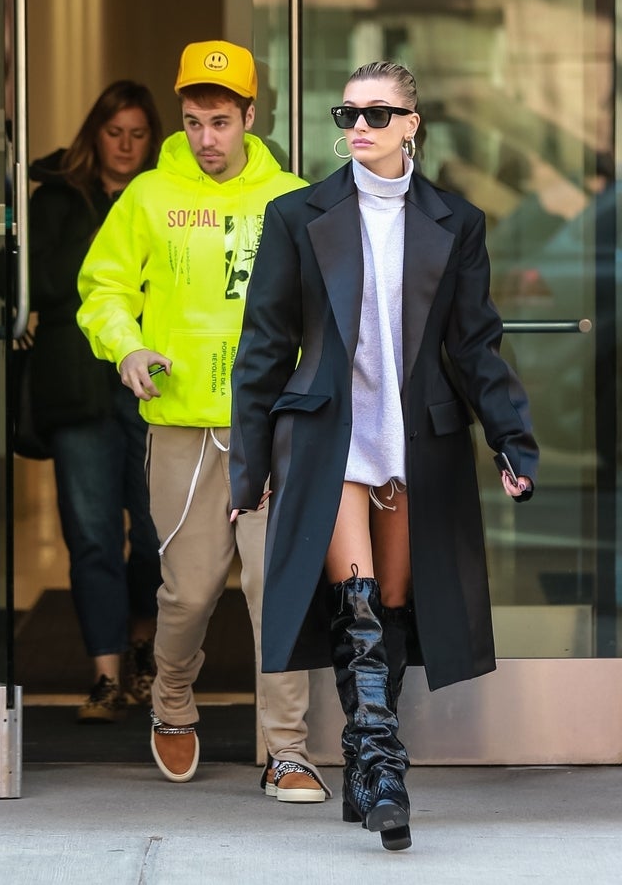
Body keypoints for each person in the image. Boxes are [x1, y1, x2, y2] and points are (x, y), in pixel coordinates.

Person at [229, 60, 539, 850]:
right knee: (359, 603)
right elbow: (263, 348)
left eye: (376, 114)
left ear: (412, 124)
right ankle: (384, 768)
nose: (358, 127)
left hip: (414, 440)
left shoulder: (454, 221)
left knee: (393, 610)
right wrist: (252, 467)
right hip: (329, 435)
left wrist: (511, 438)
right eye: (348, 113)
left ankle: (365, 772)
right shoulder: (298, 215)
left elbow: (474, 346)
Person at [76, 40, 330, 802]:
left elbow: (330, 309)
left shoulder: (294, 197)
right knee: (187, 593)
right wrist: (125, 347)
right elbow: (104, 289)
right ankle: (172, 697)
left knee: (272, 589)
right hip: (182, 427)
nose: (205, 139)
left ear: (251, 116)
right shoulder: (149, 196)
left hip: (272, 429)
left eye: (220, 121)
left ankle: (286, 747)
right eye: (192, 122)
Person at [28, 80, 164, 722]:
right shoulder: (58, 198)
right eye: (115, 134)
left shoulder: (168, 197)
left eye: (139, 134)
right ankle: (106, 674)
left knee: (159, 532)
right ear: (94, 135)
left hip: (153, 391)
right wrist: (111, 247)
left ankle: (143, 647)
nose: (126, 147)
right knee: (92, 538)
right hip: (79, 390)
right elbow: (46, 283)